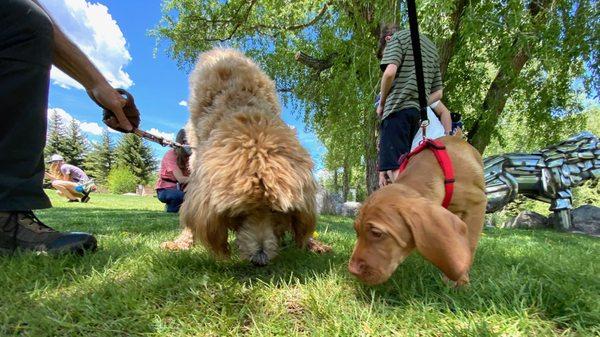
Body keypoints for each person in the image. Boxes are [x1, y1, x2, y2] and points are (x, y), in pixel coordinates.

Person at [0, 0, 133, 255]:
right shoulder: (62, 168)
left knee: (26, 17)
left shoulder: (67, 168)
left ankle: (5, 213)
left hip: (86, 188)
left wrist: (97, 84)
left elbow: (36, 22)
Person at [376, 23, 444, 188]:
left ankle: (415, 206)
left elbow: (390, 72)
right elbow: (438, 93)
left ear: (387, 39)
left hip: (396, 110)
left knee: (395, 170)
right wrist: (417, 102)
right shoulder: (430, 47)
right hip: (416, 116)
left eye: (385, 55)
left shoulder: (396, 40)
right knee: (406, 165)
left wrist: (382, 104)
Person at [156, 129, 190, 213]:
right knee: (179, 196)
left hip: (183, 188)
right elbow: (181, 179)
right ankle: (171, 210)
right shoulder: (170, 155)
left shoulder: (191, 157)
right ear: (180, 141)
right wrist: (201, 179)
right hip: (165, 189)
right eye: (187, 141)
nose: (190, 144)